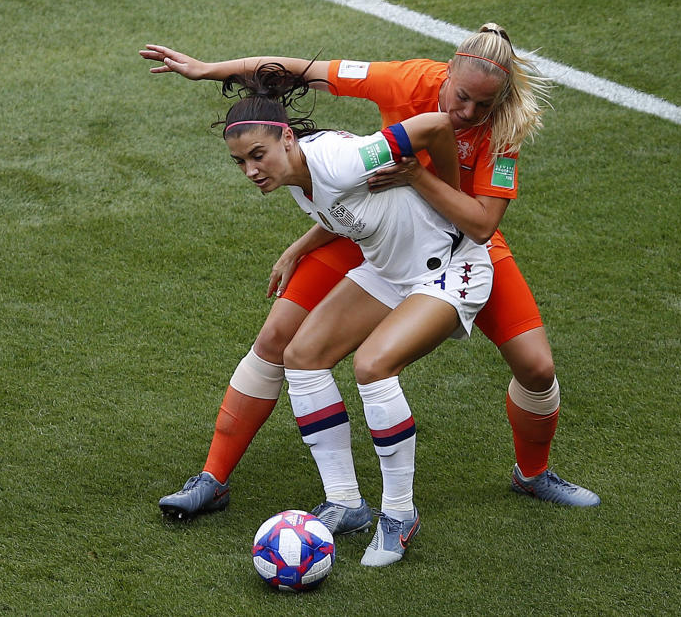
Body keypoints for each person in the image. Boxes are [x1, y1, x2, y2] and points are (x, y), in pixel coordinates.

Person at [141, 23, 600, 520]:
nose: (466, 113)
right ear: (447, 72)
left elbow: (482, 223)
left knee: (536, 368)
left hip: (460, 241)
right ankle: (214, 479)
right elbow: (297, 71)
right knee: (281, 339)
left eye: (481, 106)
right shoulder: (403, 81)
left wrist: (426, 181)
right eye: (461, 97)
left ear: (501, 100)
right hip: (372, 232)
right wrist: (208, 70)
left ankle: (530, 475)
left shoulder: (503, 131)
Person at [210, 64, 493, 566]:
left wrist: (450, 197)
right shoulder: (296, 177)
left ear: (287, 139)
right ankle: (346, 502)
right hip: (388, 271)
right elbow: (344, 209)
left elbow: (435, 126)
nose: (252, 170)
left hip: (451, 269)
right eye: (240, 162)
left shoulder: (341, 159)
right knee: (301, 356)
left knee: (372, 366)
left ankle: (399, 515)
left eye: (258, 155)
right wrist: (300, 246)